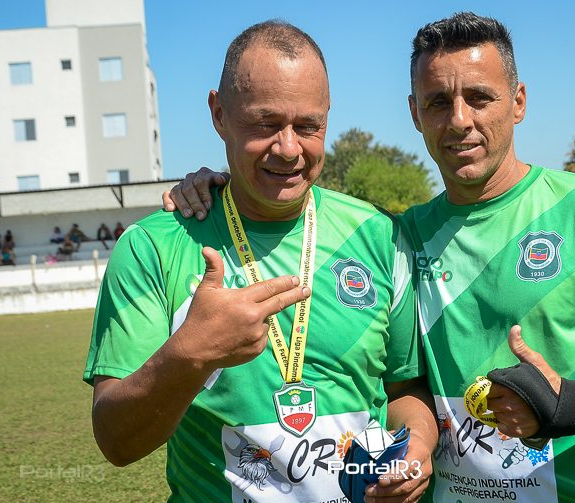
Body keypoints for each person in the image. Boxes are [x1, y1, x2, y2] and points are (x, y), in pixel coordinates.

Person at [166, 12, 575, 502]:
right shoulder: (399, 236)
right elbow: (401, 384)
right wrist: (217, 187)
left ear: (519, 101)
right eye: (438, 102)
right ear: (415, 113)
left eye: (479, 97)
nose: (459, 119)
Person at [85, 21, 436, 503]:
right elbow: (116, 441)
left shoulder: (378, 234)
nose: (288, 149)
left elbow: (404, 389)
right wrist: (193, 353)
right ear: (219, 114)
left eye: (308, 126)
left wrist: (417, 447)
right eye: (265, 124)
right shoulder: (151, 247)